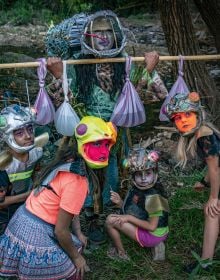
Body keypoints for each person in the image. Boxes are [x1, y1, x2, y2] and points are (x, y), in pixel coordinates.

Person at [45, 10, 168, 244]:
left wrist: (148, 70)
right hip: (84, 137)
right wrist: (59, 75)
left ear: (116, 34)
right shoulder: (77, 65)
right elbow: (65, 105)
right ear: (87, 37)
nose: (103, 37)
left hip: (114, 136)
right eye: (97, 32)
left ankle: (106, 217)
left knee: (110, 174)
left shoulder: (125, 64)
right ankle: (83, 218)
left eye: (107, 32)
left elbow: (144, 97)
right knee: (83, 176)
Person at [0, 115, 117, 280]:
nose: (103, 150)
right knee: (75, 273)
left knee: (74, 246)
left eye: (106, 144)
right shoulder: (78, 181)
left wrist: (77, 232)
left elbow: (69, 208)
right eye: (96, 144)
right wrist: (77, 259)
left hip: (20, 220)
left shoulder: (67, 162)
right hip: (36, 230)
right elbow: (61, 231)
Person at [161, 91, 220, 272]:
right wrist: (204, 181)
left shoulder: (204, 137)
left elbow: (215, 169)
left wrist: (213, 197)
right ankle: (207, 258)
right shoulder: (204, 133)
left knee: (211, 211)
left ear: (197, 114)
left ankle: (205, 262)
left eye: (188, 115)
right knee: (213, 213)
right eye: (178, 118)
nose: (183, 120)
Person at [105, 146, 169, 261]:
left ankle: (121, 254)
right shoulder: (141, 190)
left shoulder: (154, 198)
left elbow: (152, 226)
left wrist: (128, 218)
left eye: (148, 173)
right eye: (139, 174)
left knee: (110, 220)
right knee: (119, 216)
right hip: (158, 232)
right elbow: (138, 210)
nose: (144, 179)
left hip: (153, 234)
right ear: (133, 176)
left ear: (155, 173)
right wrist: (120, 202)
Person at [0, 104, 46, 235]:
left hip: (27, 205)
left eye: (30, 129)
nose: (28, 136)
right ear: (8, 135)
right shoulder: (3, 164)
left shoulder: (36, 152)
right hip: (5, 213)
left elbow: (36, 172)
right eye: (19, 133)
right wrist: (28, 195)